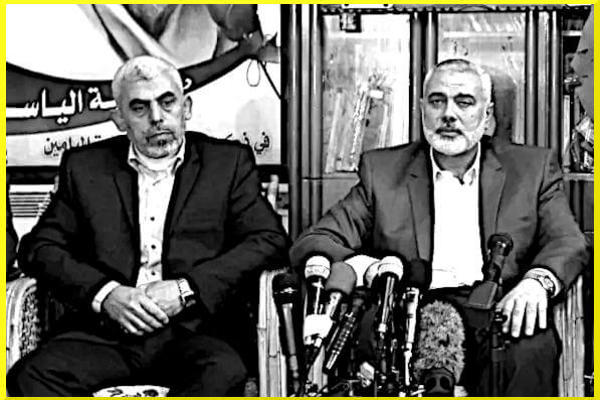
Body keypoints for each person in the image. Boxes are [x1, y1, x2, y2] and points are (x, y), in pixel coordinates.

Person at [290, 59, 589, 396]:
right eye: (437, 101)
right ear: (422, 110)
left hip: (499, 309)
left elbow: (567, 240)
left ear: (487, 115)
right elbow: (317, 239)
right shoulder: (383, 171)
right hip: (410, 312)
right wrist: (368, 268)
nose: (449, 114)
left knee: (532, 349)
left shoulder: (531, 169)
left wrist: (538, 282)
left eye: (464, 102)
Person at [9, 55, 289, 396]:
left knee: (223, 374)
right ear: (119, 119)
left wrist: (186, 290)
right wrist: (106, 294)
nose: (157, 118)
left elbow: (269, 241)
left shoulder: (227, 163)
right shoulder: (85, 167)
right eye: (139, 108)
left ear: (186, 108)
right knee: (30, 378)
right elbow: (38, 249)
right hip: (105, 335)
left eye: (167, 102)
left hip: (196, 332)